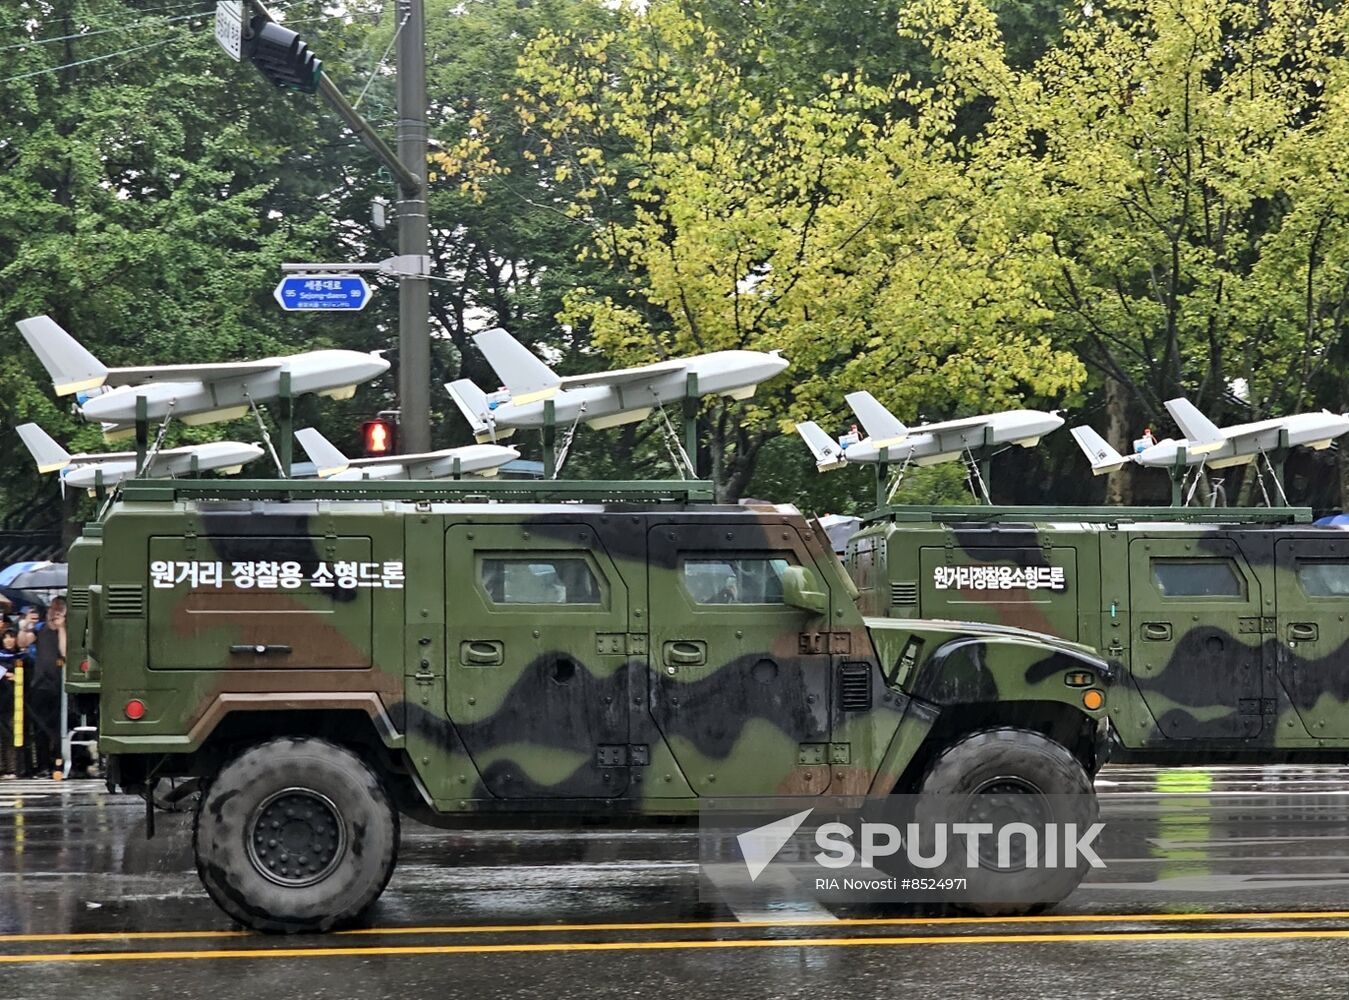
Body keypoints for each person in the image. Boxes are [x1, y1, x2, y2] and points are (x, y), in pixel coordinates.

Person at [21, 600, 64, 779]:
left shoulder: (65, 630)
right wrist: (27, 626)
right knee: (39, 728)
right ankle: (42, 764)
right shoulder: (40, 629)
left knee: (59, 727)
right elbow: (23, 642)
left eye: (58, 610)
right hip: (39, 684)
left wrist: (61, 628)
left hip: (59, 685)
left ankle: (59, 762)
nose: (54, 613)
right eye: (52, 609)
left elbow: (65, 651)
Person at [0, 629, 19, 778]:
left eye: (11, 637)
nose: (8, 640)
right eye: (5, 637)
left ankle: (11, 768)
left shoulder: (21, 656)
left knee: (11, 736)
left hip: (14, 703)